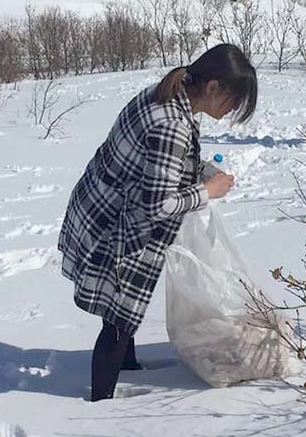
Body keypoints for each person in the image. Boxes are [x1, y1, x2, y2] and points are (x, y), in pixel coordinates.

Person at [58, 43, 258, 401]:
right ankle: (100, 407)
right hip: (115, 226)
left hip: (104, 208)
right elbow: (158, 204)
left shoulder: (169, 95)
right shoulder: (172, 124)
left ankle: (128, 367)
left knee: (122, 310)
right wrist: (207, 191)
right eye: (232, 101)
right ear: (213, 87)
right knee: (119, 319)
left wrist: (207, 173)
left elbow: (168, 166)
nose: (230, 112)